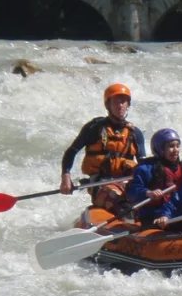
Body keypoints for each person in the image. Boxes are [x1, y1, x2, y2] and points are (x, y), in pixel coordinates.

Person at [60, 83, 146, 213]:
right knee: (120, 202)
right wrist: (66, 177)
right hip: (100, 183)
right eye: (116, 101)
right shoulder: (94, 128)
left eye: (123, 101)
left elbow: (144, 166)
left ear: (128, 104)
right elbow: (71, 152)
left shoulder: (135, 133)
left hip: (127, 182)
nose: (120, 105)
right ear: (108, 105)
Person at [123, 127, 182, 226]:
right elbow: (132, 190)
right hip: (153, 214)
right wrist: (148, 193)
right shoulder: (145, 168)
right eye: (171, 146)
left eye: (177, 146)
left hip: (174, 211)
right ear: (160, 149)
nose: (176, 150)